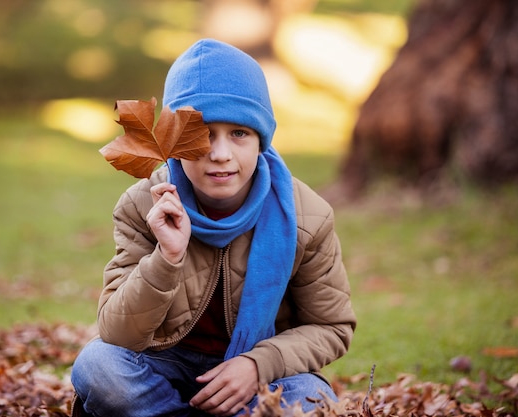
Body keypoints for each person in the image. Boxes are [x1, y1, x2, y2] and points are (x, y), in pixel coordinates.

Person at [70, 38, 356, 417]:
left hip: (259, 372)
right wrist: (167, 257)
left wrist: (258, 364)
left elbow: (331, 327)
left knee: (309, 400)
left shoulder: (307, 216)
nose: (221, 154)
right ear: (174, 142)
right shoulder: (144, 204)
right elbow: (117, 333)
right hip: (164, 365)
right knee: (97, 366)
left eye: (239, 133)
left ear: (260, 141)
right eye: (202, 134)